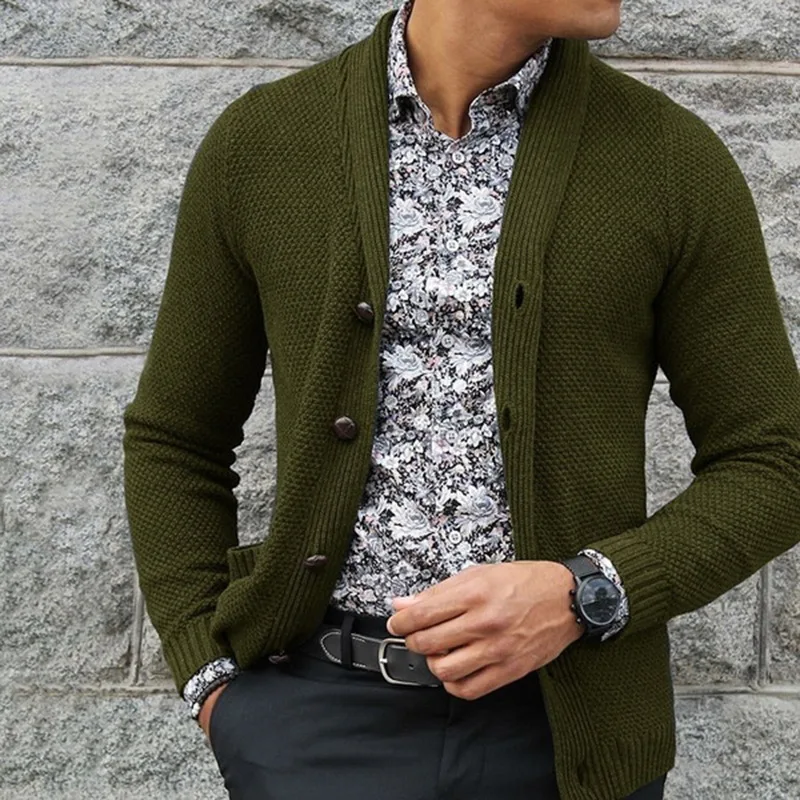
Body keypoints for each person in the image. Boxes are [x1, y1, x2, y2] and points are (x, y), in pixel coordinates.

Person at [121, 0, 800, 798]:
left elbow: (776, 457)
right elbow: (177, 436)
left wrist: (587, 593)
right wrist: (213, 685)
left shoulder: (668, 160)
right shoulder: (263, 144)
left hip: (568, 732)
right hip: (315, 726)